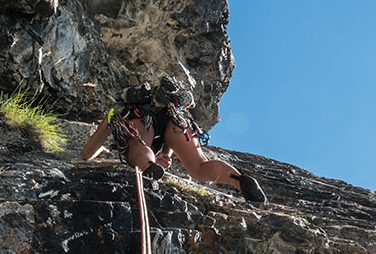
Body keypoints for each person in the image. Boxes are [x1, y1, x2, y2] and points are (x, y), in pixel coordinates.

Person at [80, 77, 267, 203]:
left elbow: (87, 153)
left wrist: (101, 149)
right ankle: (240, 181)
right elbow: (168, 138)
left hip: (140, 117)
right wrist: (165, 154)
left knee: (138, 145)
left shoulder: (116, 112)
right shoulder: (170, 111)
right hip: (176, 117)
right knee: (200, 166)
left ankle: (147, 166)